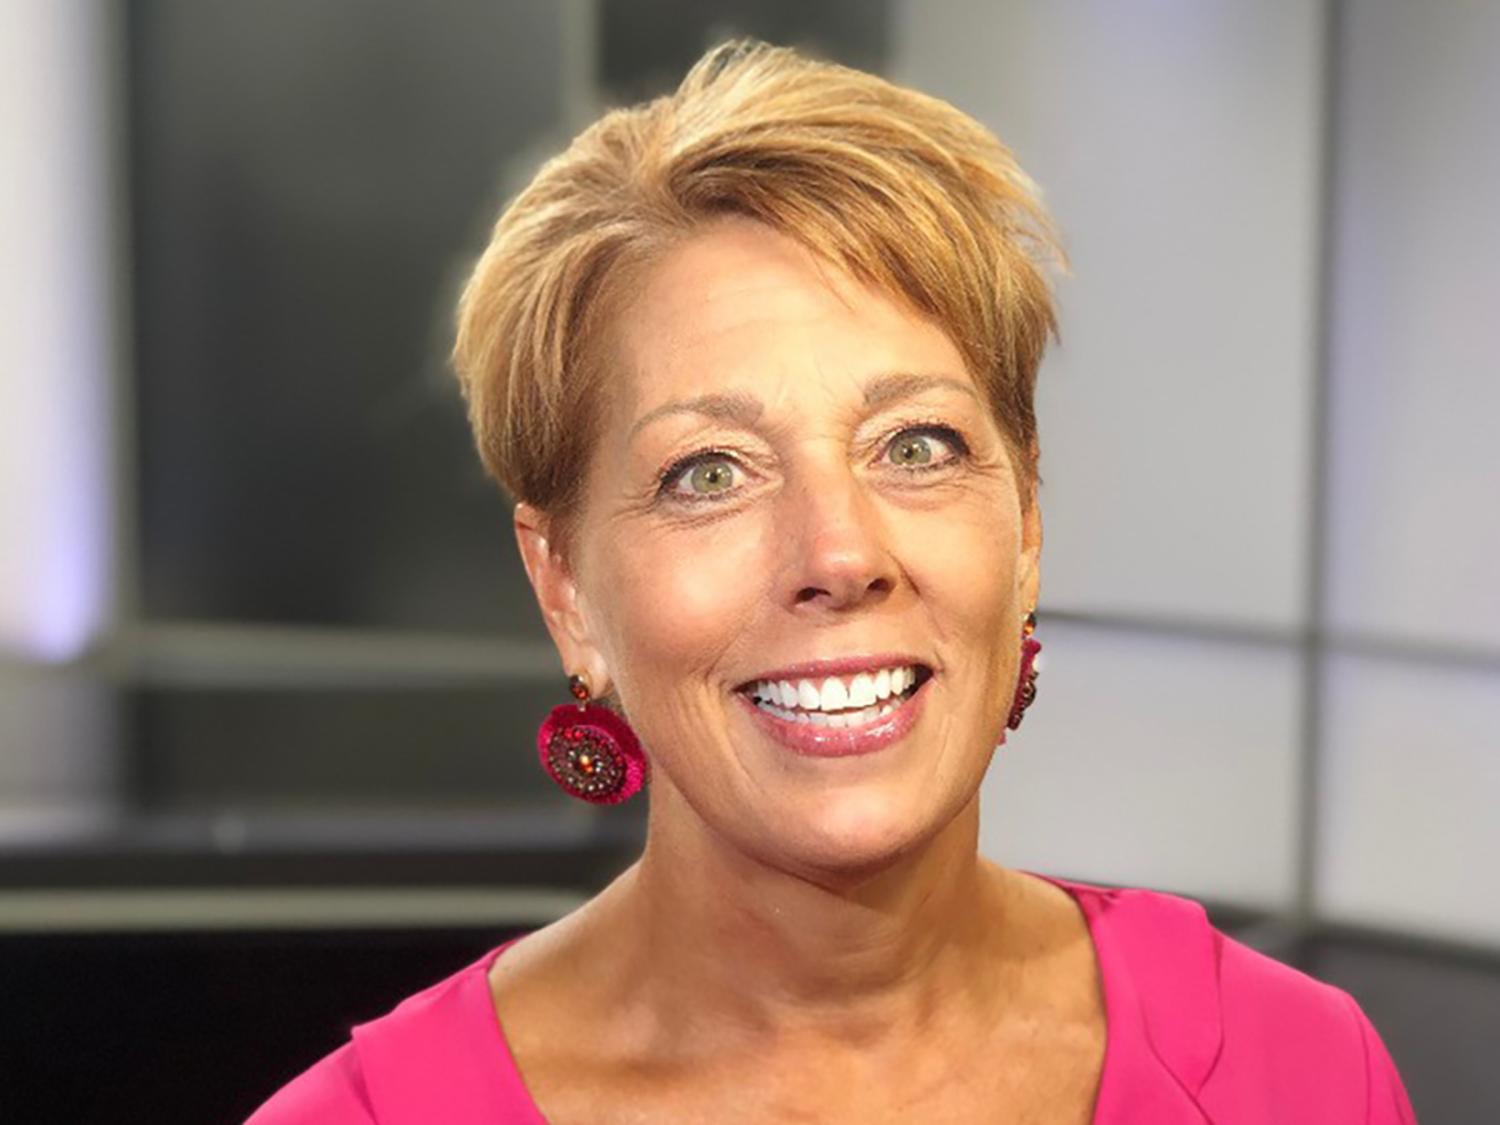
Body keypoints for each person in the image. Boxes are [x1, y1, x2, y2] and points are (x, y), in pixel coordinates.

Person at [247, 39, 1417, 1124]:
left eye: (918, 446)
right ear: (562, 587)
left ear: (1027, 524)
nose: (841, 556)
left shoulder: (1297, 1071)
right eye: (709, 472)